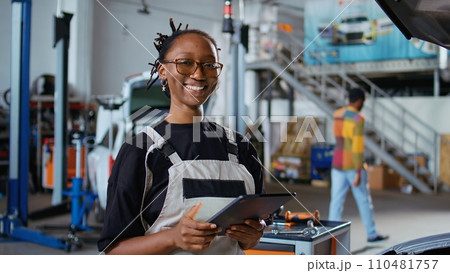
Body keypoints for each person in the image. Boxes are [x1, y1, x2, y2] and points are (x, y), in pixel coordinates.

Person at [97, 19, 266, 254]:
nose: (198, 74)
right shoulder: (141, 149)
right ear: (162, 71)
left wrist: (253, 234)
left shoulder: (241, 148)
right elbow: (114, 251)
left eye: (210, 65)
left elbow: (251, 234)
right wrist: (173, 238)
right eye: (185, 63)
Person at [328, 88, 388, 243]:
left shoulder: (337, 114)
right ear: (360, 101)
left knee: (336, 201)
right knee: (363, 200)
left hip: (337, 162)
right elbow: (357, 147)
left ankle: (330, 236)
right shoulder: (358, 118)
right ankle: (372, 234)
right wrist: (359, 170)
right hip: (351, 164)